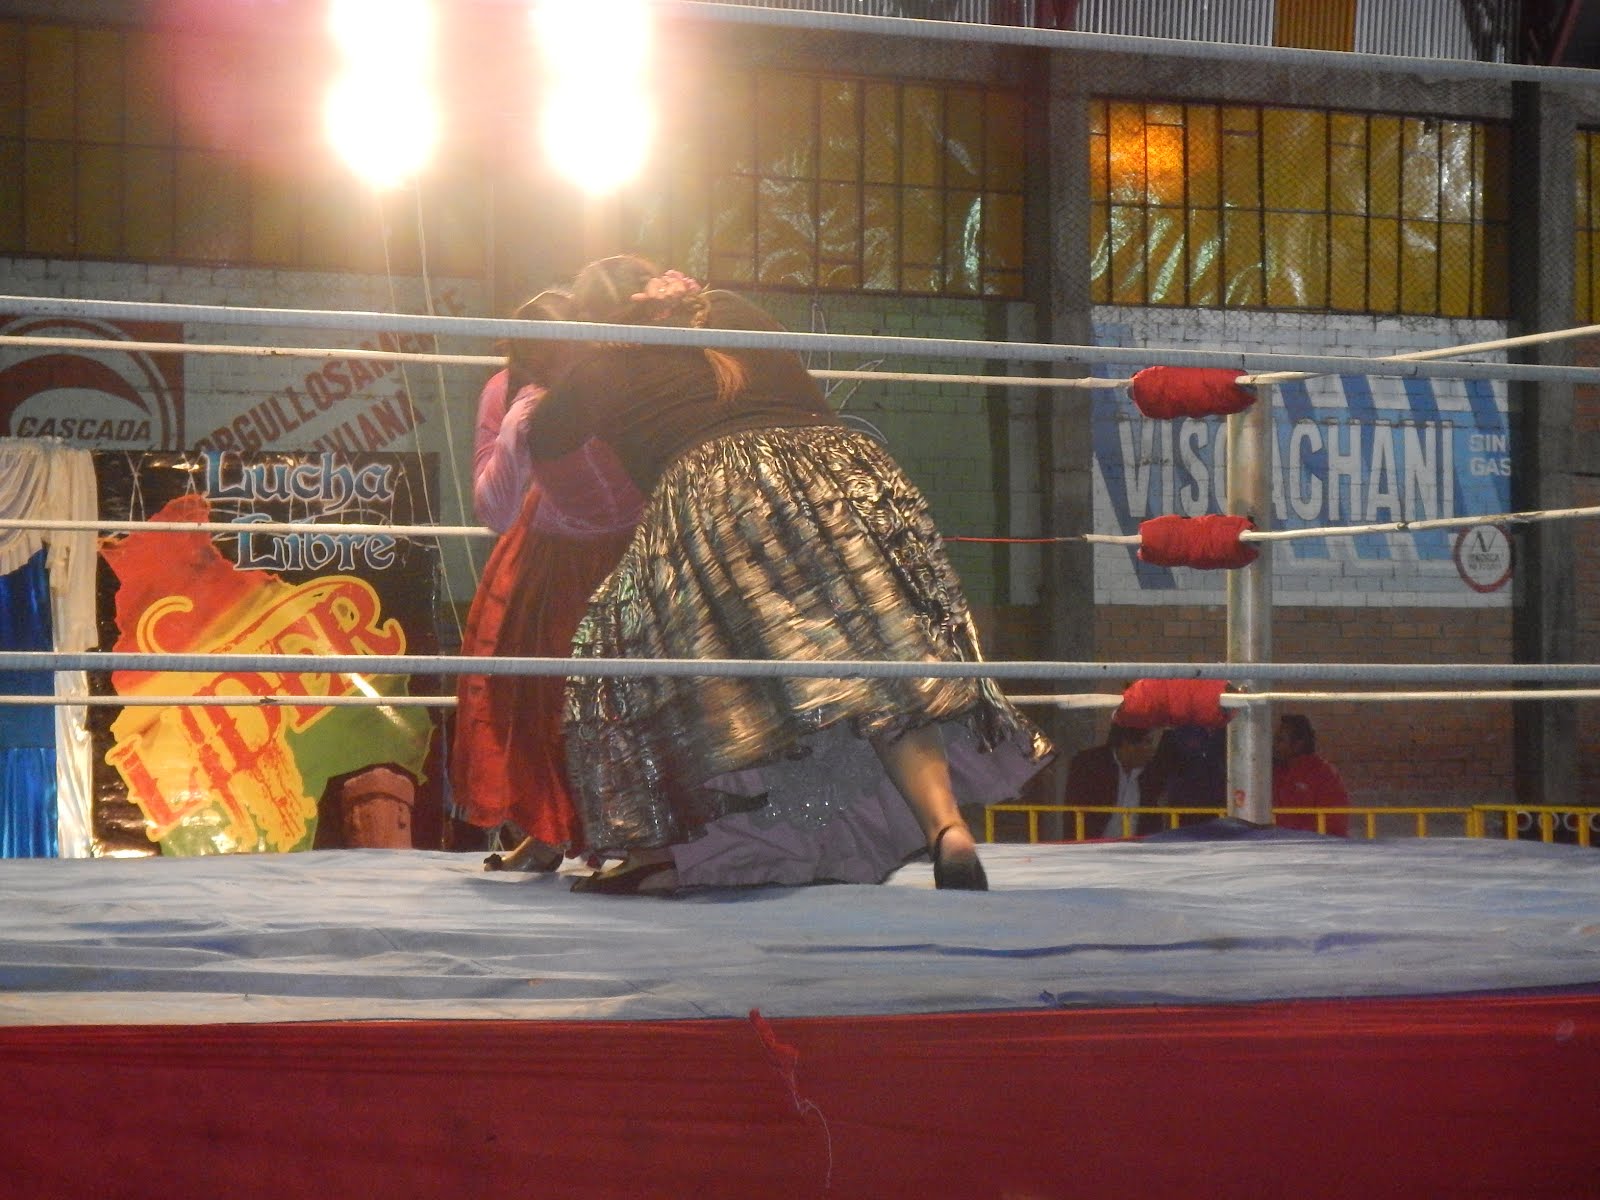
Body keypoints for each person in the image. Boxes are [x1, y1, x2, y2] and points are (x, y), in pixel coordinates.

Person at [524, 255, 1053, 893]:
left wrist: (543, 376)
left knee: (624, 644)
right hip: (846, 471)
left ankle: (667, 851)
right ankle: (947, 827)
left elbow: (543, 439)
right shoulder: (729, 308)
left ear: (592, 320)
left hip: (723, 490)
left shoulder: (602, 366)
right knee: (884, 659)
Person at [450, 289, 646, 870]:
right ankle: (554, 833)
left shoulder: (556, 397)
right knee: (553, 696)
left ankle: (622, 838)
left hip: (589, 557)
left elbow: (494, 510)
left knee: (568, 697)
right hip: (589, 553)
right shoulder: (545, 393)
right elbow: (497, 511)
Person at [1061, 722, 1175, 838]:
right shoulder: (1090, 765)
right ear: (1127, 745)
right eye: (1147, 742)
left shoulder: (1150, 773)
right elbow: (1073, 814)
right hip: (1093, 845)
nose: (1151, 750)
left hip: (1137, 846)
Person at [1271, 713, 1350, 836]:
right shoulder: (1272, 771)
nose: (1274, 745)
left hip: (1314, 843)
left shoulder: (1323, 774)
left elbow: (1334, 821)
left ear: (1298, 744)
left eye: (1280, 740)